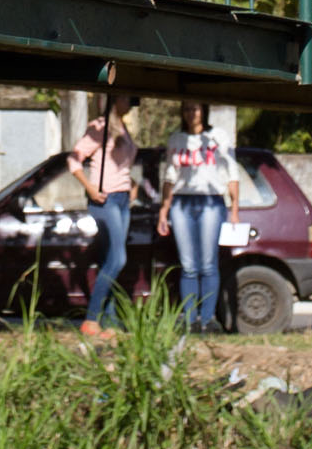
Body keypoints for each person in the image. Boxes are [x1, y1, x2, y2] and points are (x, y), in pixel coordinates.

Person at [157, 100, 243, 333]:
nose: (190, 113)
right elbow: (170, 176)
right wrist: (164, 210)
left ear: (203, 111)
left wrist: (234, 209)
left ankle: (207, 319)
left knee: (207, 263)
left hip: (211, 201)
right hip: (182, 201)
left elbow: (231, 173)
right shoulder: (176, 139)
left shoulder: (218, 137)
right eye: (186, 109)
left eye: (195, 109)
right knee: (188, 265)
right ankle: (189, 319)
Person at [66, 91, 141, 334]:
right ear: (114, 99)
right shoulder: (99, 126)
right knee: (118, 258)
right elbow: (74, 160)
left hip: (121, 200)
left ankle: (108, 322)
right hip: (105, 200)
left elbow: (123, 166)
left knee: (111, 259)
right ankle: (91, 318)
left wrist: (133, 187)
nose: (130, 101)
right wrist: (90, 188)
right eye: (127, 97)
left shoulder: (124, 128)